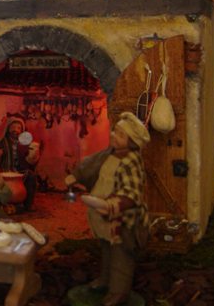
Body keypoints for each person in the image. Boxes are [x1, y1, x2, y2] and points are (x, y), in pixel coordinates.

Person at [64, 112, 150, 306]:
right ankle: (105, 280)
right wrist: (76, 175)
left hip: (122, 219)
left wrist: (111, 205)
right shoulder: (110, 153)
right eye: (114, 131)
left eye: (120, 134)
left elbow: (132, 193)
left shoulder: (131, 161)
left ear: (132, 141)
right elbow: (91, 164)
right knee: (106, 248)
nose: (113, 136)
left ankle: (119, 291)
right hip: (104, 217)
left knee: (121, 254)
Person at [0, 117, 39, 211]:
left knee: (31, 176)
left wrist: (33, 155)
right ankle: (3, 204)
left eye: (19, 128)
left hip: (18, 171)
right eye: (13, 127)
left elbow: (29, 160)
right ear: (8, 128)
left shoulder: (24, 144)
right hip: (3, 170)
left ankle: (28, 204)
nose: (16, 130)